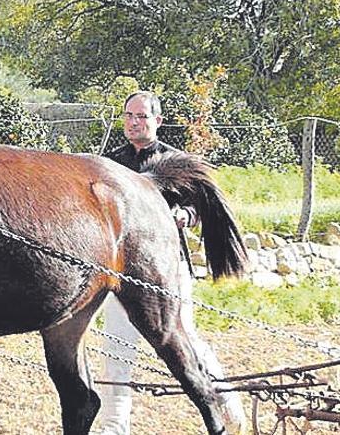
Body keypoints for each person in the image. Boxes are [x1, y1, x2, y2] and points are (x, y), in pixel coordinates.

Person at [96, 91, 245, 434]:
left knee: (187, 342)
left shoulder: (175, 163)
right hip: (118, 273)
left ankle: (227, 406)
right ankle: (114, 427)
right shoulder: (110, 164)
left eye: (142, 117)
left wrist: (184, 215)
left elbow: (199, 209)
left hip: (166, 271)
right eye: (129, 116)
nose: (135, 122)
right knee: (116, 350)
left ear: (157, 121)